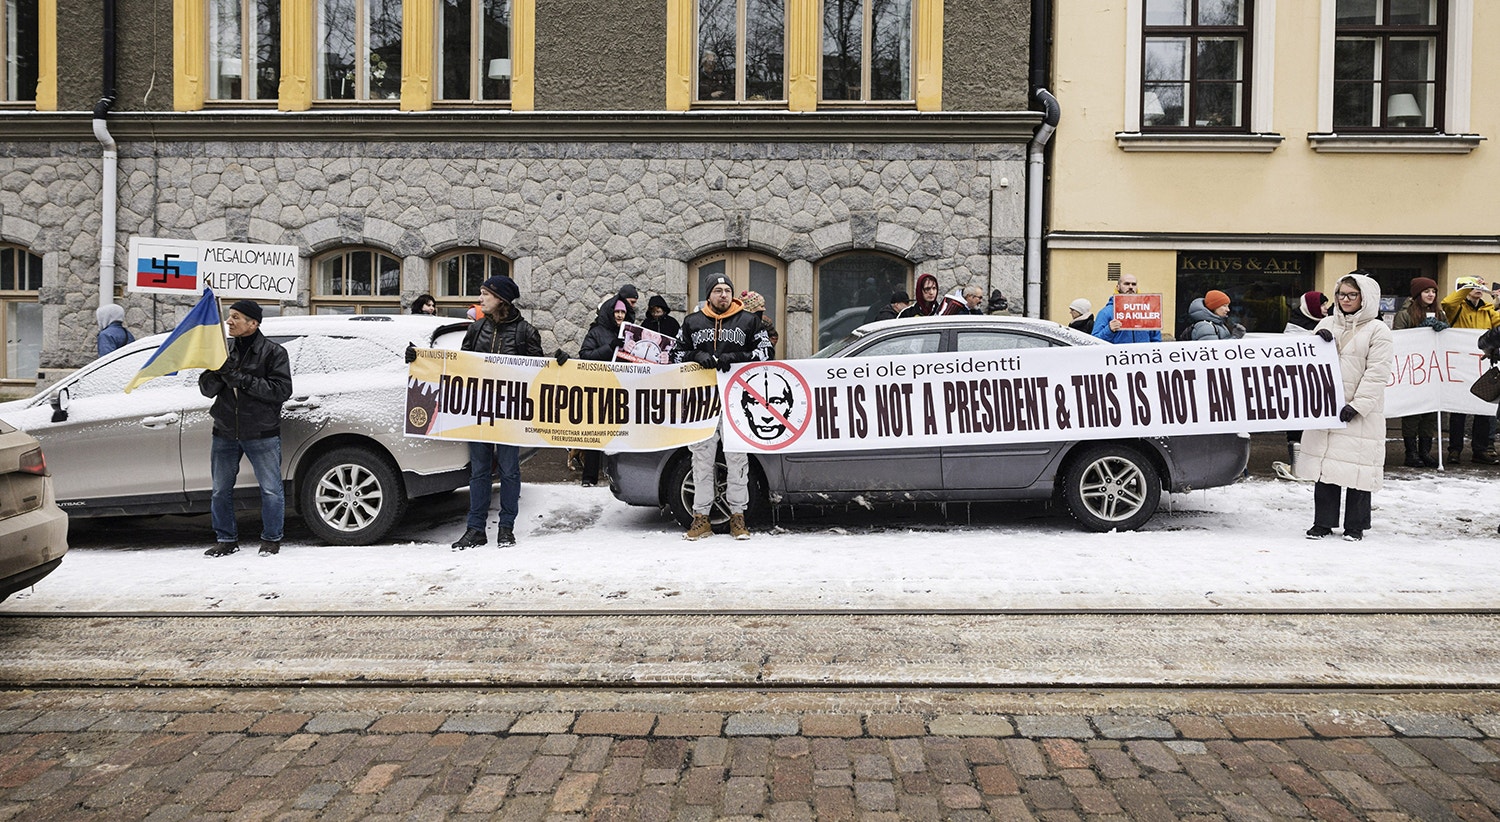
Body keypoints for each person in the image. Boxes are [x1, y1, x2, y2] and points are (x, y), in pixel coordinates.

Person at [673, 274, 772, 540]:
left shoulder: (749, 321)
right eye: (718, 290)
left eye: (727, 290)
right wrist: (697, 355)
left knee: (737, 460)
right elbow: (675, 353)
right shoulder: (692, 323)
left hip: (738, 402)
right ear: (709, 295)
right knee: (701, 461)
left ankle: (737, 517)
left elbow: (766, 352)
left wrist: (737, 357)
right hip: (701, 403)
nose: (723, 295)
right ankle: (700, 518)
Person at [1297, 272, 1392, 542]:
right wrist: (1317, 340)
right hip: (1327, 408)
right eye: (1341, 294)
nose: (1345, 299)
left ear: (1365, 297)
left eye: (1352, 295)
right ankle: (1322, 523)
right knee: (1325, 467)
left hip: (1359, 412)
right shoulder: (1326, 323)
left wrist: (1357, 405)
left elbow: (1377, 373)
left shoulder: (1378, 331)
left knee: (1357, 469)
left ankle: (1355, 525)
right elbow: (1307, 362)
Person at [451, 275, 544, 549]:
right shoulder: (476, 329)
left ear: (500, 298)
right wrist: (419, 360)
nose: (480, 299)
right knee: (478, 472)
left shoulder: (525, 332)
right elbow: (458, 367)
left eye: (485, 294)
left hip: (510, 414)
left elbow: (539, 373)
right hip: (479, 412)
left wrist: (557, 363)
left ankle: (506, 529)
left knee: (509, 471)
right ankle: (475, 529)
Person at [198, 300, 293, 558]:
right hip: (225, 431)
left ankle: (272, 539)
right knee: (220, 490)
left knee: (271, 489)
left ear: (253, 323)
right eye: (229, 316)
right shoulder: (223, 350)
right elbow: (206, 390)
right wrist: (218, 373)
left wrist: (241, 379)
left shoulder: (273, 352)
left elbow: (281, 391)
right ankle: (226, 539)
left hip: (261, 432)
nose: (229, 321)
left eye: (236, 317)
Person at [1440, 277, 1500, 464]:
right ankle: (1455, 449)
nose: (1479, 289)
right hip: (1458, 366)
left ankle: (1480, 449)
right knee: (1458, 410)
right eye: (1475, 287)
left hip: (1480, 365)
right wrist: (1468, 287)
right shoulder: (1458, 308)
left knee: (1482, 407)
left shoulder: (1488, 310)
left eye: (1481, 287)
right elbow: (1447, 302)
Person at [1275, 291, 1330, 481]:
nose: (1325, 309)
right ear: (1311, 306)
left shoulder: (1329, 323)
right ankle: (1297, 464)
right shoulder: (1295, 325)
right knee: (1297, 425)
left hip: (1319, 384)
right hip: (1298, 385)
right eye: (1322, 305)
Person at [1393, 277, 1448, 467]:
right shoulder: (1405, 314)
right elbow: (1398, 339)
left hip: (1432, 369)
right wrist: (1418, 331)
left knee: (1430, 414)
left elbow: (1448, 339)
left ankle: (1425, 451)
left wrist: (1445, 330)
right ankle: (1411, 452)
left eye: (1433, 291)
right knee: (1412, 413)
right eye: (1426, 291)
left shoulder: (1440, 313)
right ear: (1418, 294)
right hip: (1413, 370)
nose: (1431, 295)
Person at [576, 300, 628, 487]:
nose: (620, 315)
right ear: (609, 313)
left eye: (623, 312)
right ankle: (589, 476)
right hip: (599, 387)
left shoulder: (629, 332)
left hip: (622, 388)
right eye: (617, 312)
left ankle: (622, 477)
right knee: (595, 431)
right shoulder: (596, 332)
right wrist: (610, 347)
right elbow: (585, 355)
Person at [1091, 274, 1162, 343]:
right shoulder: (1106, 312)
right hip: (1119, 355)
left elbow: (1156, 339)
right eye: (1126, 284)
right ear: (1118, 287)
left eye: (1133, 284)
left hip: (1143, 355)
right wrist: (1109, 330)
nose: (1130, 287)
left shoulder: (1147, 312)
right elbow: (1095, 341)